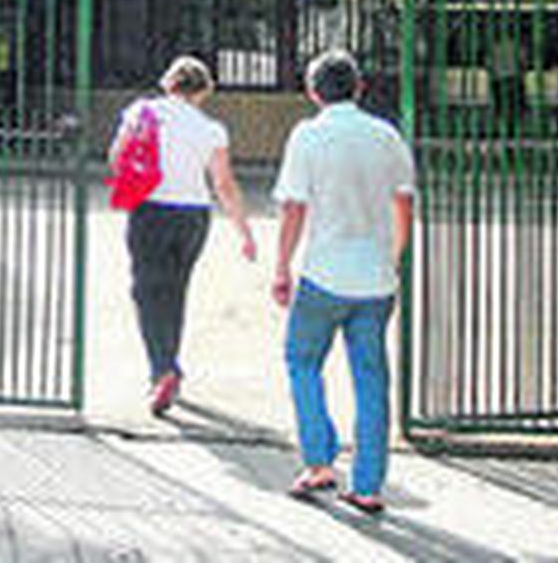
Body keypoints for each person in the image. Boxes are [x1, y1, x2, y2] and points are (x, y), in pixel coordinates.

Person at [271, 49, 416, 513]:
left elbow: (293, 206)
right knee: (372, 378)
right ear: (359, 88)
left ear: (313, 92)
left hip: (324, 274)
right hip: (376, 278)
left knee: (302, 360)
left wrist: (281, 266)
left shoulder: (308, 137)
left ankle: (319, 462)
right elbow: (404, 202)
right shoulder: (387, 136)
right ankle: (369, 484)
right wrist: (393, 255)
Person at [108, 55, 256, 415]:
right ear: (204, 90)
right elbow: (223, 183)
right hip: (194, 216)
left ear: (168, 83)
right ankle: (170, 364)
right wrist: (244, 232)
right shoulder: (212, 128)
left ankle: (162, 370)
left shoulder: (142, 111)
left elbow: (117, 156)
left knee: (146, 290)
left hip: (151, 209)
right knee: (175, 290)